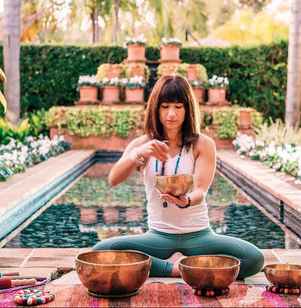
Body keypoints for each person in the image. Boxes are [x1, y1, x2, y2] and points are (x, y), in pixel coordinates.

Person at [92, 74, 265, 278]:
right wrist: (138, 154)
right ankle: (174, 268)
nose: (171, 114)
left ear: (188, 109)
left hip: (199, 235)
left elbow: (200, 190)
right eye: (165, 106)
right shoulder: (142, 144)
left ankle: (175, 265)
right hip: (159, 236)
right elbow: (114, 180)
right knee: (99, 253)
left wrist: (186, 200)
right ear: (156, 108)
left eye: (178, 106)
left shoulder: (203, 144)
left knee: (253, 259)